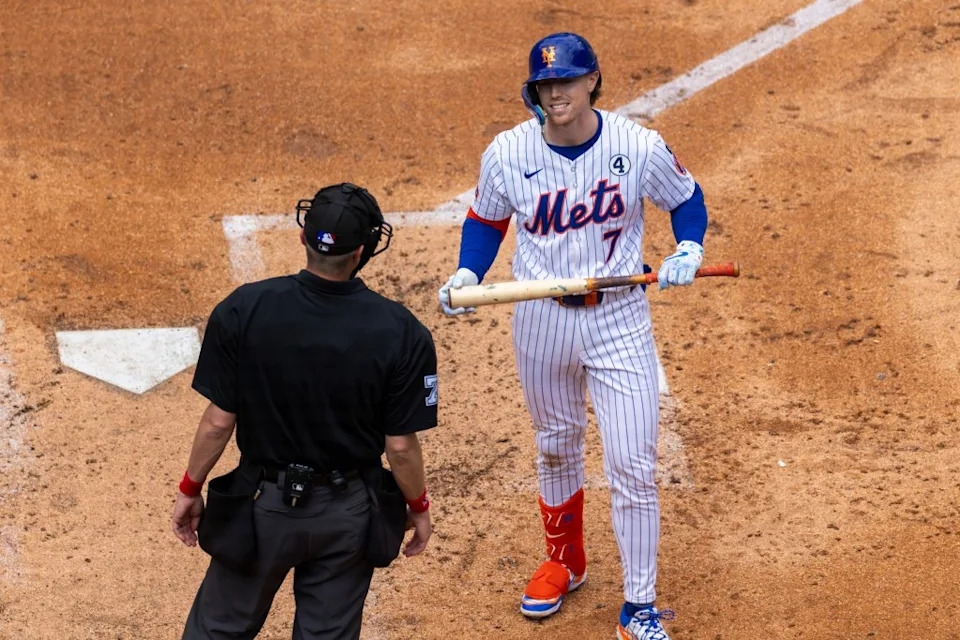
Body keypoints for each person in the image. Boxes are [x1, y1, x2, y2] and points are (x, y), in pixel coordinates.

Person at [437, 32, 709, 640]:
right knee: (556, 445)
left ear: (592, 81)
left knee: (633, 465)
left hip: (619, 320)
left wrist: (689, 246)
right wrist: (468, 273)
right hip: (541, 319)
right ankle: (565, 562)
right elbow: (485, 220)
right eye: (544, 84)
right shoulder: (508, 152)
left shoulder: (636, 145)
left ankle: (639, 606)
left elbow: (687, 199)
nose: (554, 93)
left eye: (565, 81)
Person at [172, 183, 438, 639]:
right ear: (361, 252)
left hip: (262, 509)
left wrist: (189, 488)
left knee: (217, 630)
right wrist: (418, 506)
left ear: (302, 238)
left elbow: (218, 423)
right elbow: (399, 447)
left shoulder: (243, 309)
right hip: (348, 514)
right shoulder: (403, 332)